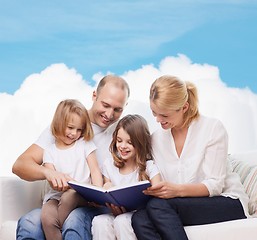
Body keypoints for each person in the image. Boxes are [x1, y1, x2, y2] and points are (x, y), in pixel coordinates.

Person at [131, 75, 249, 240]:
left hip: (226, 201)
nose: (158, 120)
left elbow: (215, 185)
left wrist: (176, 190)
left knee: (158, 206)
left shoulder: (212, 128)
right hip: (176, 205)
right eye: (154, 113)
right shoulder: (156, 138)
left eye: (164, 115)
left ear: (184, 107)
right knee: (140, 218)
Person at [12, 75, 130, 240]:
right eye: (105, 105)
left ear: (125, 107)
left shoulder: (122, 135)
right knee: (30, 222)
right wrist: (48, 173)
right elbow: (20, 165)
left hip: (93, 206)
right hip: (58, 202)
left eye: (118, 109)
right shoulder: (64, 126)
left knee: (74, 219)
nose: (109, 114)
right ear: (94, 95)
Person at [91, 114, 161, 240]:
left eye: (129, 142)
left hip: (139, 215)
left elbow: (159, 198)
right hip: (116, 213)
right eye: (119, 140)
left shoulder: (149, 167)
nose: (122, 146)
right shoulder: (109, 165)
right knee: (99, 221)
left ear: (140, 143)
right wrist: (107, 187)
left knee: (122, 221)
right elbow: (107, 194)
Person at [41, 99, 103, 240]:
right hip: (56, 196)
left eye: (79, 129)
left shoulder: (84, 144)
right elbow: (52, 178)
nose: (74, 133)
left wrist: (98, 193)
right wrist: (62, 181)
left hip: (81, 195)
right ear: (58, 123)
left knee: (70, 196)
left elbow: (95, 170)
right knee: (46, 217)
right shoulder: (49, 151)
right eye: (70, 127)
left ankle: (64, 228)